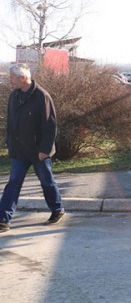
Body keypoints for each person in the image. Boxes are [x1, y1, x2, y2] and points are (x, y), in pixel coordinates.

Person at [0, 64, 65, 233]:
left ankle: (57, 209)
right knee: (13, 183)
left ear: (23, 78)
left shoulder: (42, 96)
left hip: (38, 151)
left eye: (12, 78)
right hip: (19, 150)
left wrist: (45, 149)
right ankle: (3, 219)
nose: (10, 81)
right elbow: (11, 123)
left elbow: (50, 126)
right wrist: (9, 144)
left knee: (46, 182)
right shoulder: (14, 96)